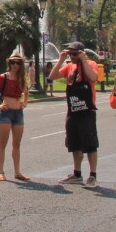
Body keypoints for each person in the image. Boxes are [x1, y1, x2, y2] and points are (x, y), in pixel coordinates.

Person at [49, 42, 99, 188]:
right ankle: (77, 174)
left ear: (82, 53)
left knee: (90, 144)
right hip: (73, 110)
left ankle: (92, 175)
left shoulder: (90, 63)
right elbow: (52, 76)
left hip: (87, 110)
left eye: (75, 53)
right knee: (74, 143)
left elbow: (93, 77)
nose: (72, 56)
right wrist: (60, 60)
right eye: (70, 53)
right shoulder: (69, 66)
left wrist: (83, 60)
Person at [0, 52, 30, 182]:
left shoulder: (22, 78)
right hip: (6, 112)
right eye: (13, 62)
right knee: (2, 143)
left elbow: (26, 91)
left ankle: (17, 172)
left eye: (18, 63)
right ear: (9, 63)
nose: (15, 65)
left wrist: (25, 102)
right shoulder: (3, 77)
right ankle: (1, 172)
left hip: (18, 113)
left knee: (16, 144)